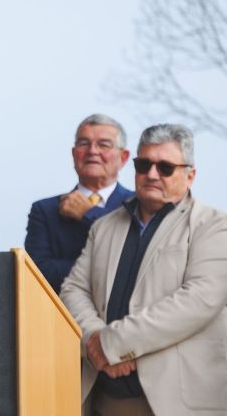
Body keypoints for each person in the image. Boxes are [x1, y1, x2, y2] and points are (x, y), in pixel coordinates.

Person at [60, 124, 227, 415]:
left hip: (177, 403)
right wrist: (94, 339)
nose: (151, 174)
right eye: (144, 164)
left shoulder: (214, 226)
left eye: (165, 167)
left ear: (190, 175)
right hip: (104, 398)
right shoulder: (104, 227)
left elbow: (200, 300)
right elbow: (74, 290)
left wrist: (114, 343)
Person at [24, 114, 133, 294]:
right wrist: (104, 270)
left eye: (103, 144)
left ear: (123, 157)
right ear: (74, 154)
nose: (92, 151)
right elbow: (38, 272)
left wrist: (89, 214)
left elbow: (134, 264)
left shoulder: (138, 205)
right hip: (61, 314)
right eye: (84, 143)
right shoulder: (45, 210)